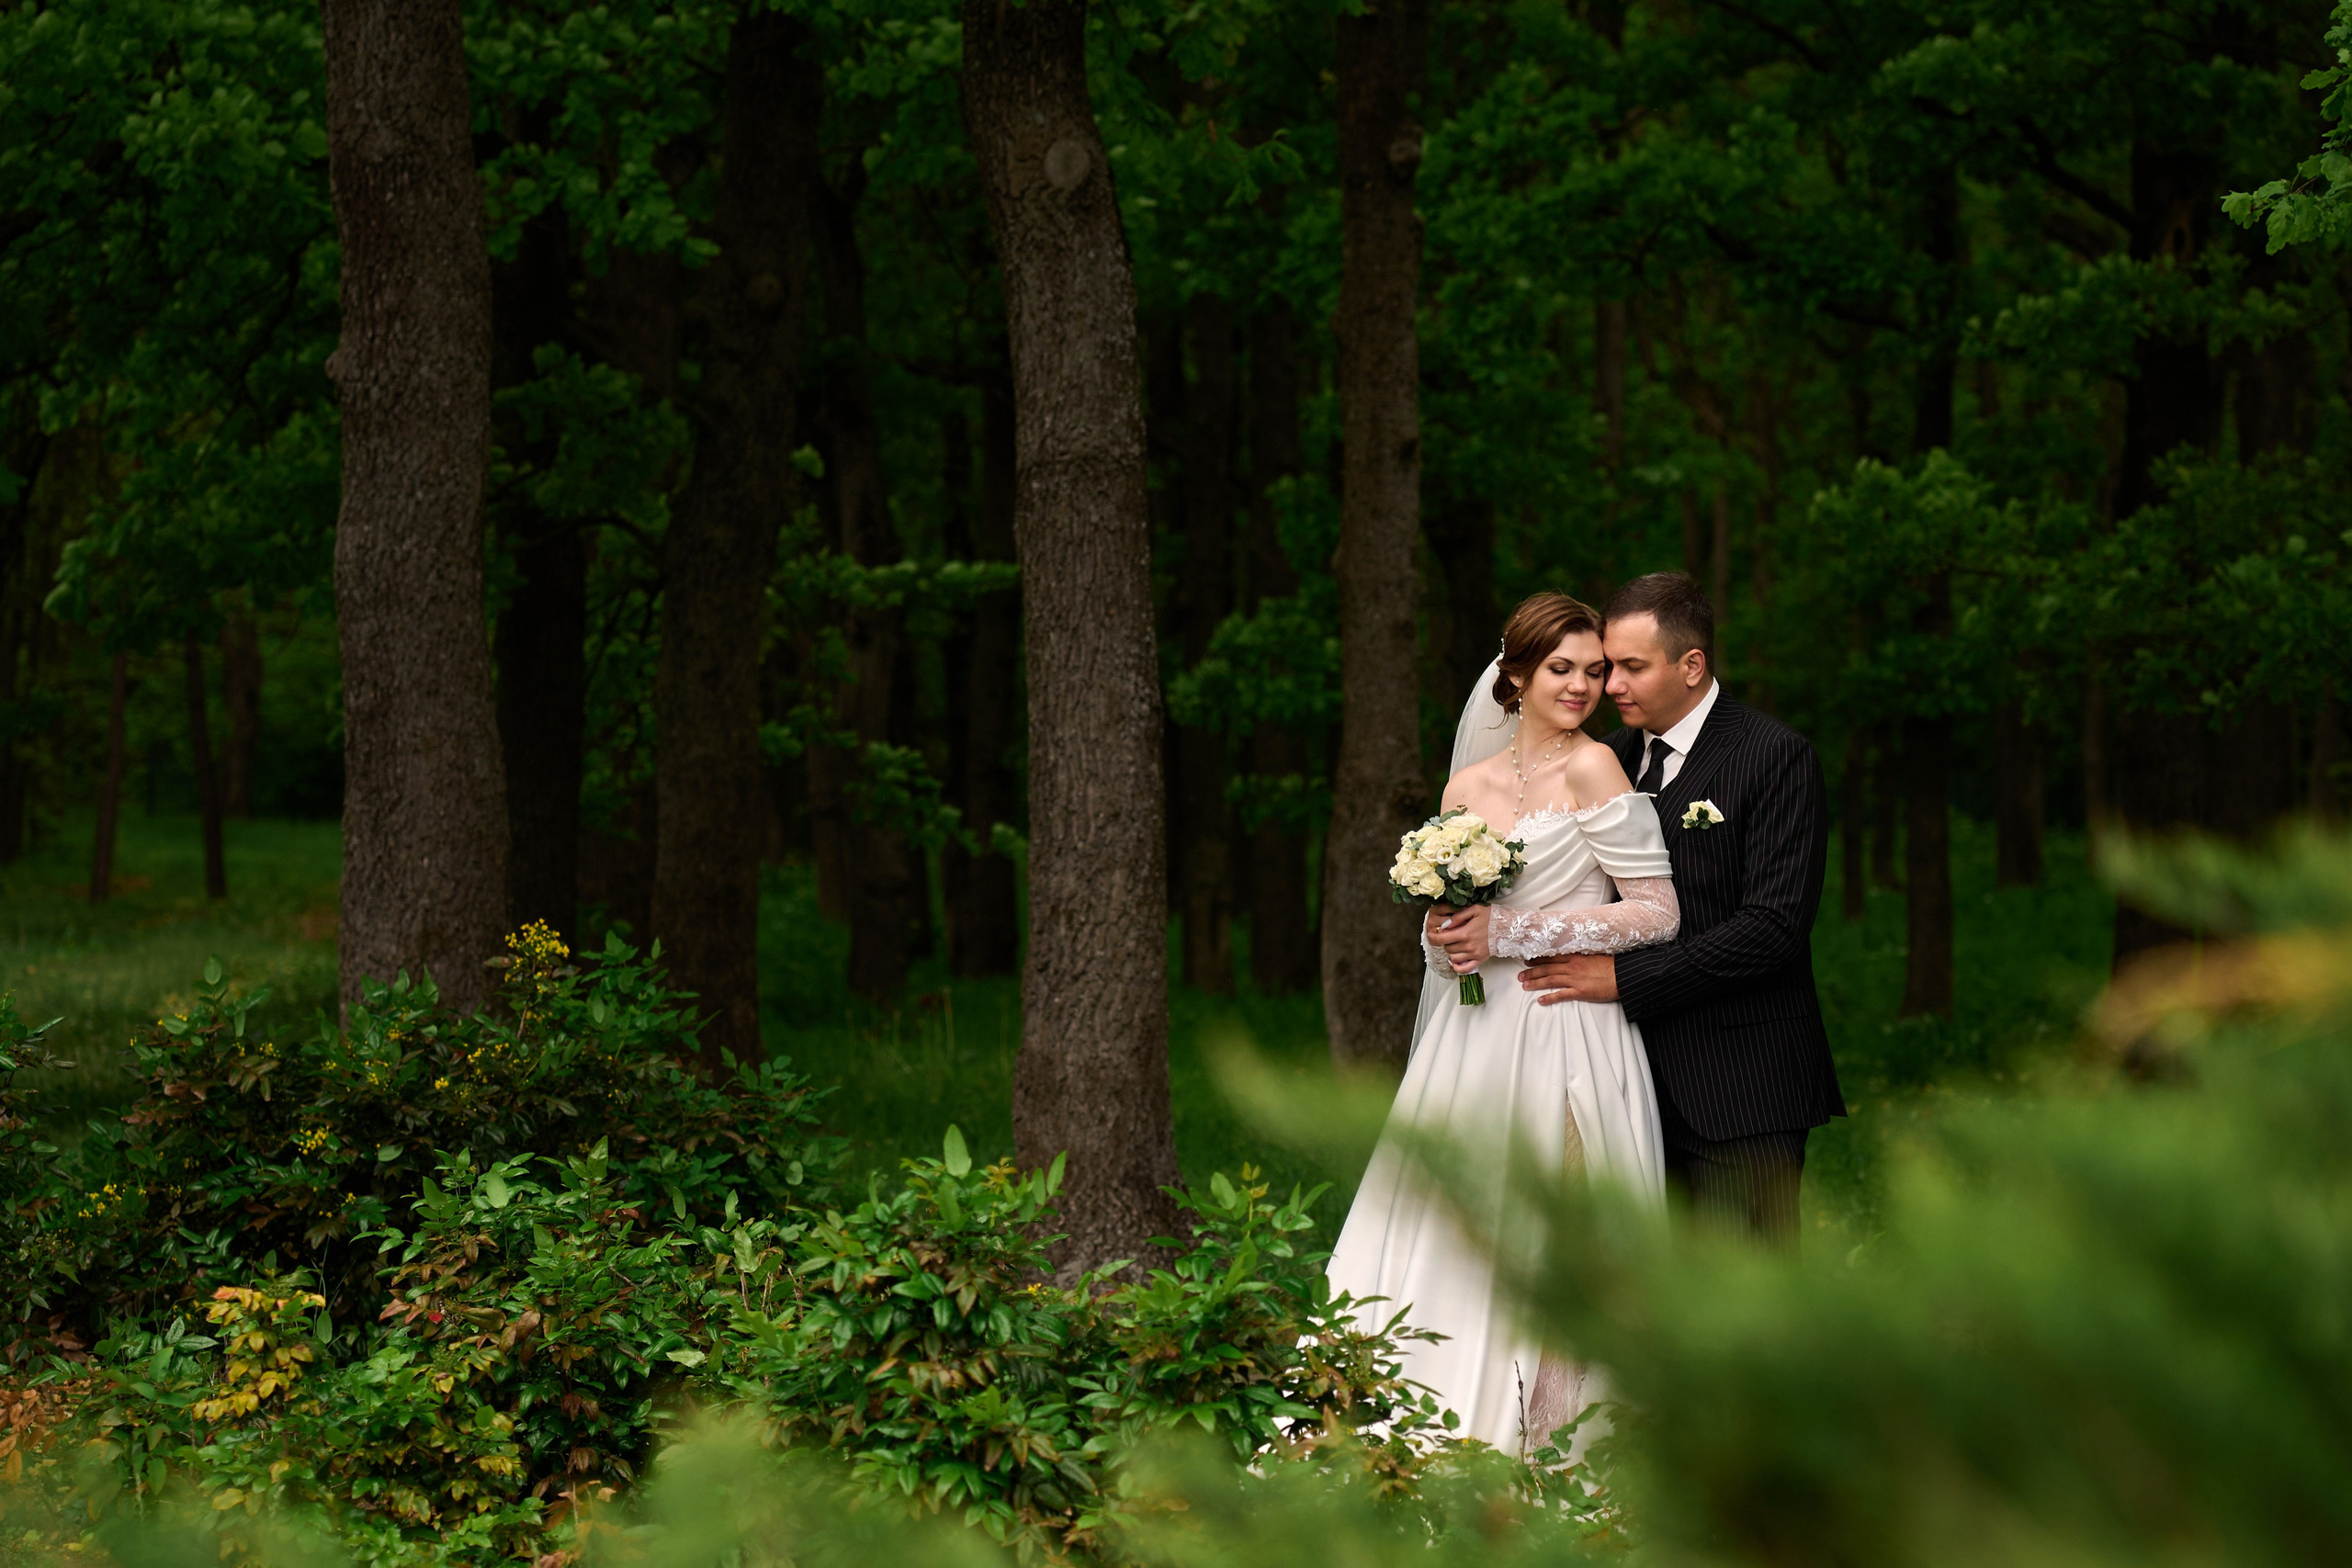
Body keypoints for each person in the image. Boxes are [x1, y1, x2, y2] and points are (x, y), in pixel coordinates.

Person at [1326, 592, 1679, 1458]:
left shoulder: (1597, 768)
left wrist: (1512, 932)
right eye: (1561, 668)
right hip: (1474, 1042)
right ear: (1515, 675)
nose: (1582, 686)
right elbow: (1449, 929)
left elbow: (1657, 912)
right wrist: (1445, 935)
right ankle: (1424, 1426)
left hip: (1565, 1027)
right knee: (1456, 1222)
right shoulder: (1465, 787)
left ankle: (1551, 1444)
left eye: (1595, 670)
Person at [1517, 571, 1845, 1243]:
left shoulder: (1774, 756)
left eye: (1632, 667)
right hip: (1622, 1078)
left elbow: (1773, 927)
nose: (1611, 686)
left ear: (1691, 666)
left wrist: (1624, 979)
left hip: (1741, 1083)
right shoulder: (1608, 757)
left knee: (1744, 1286)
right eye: (1608, 667)